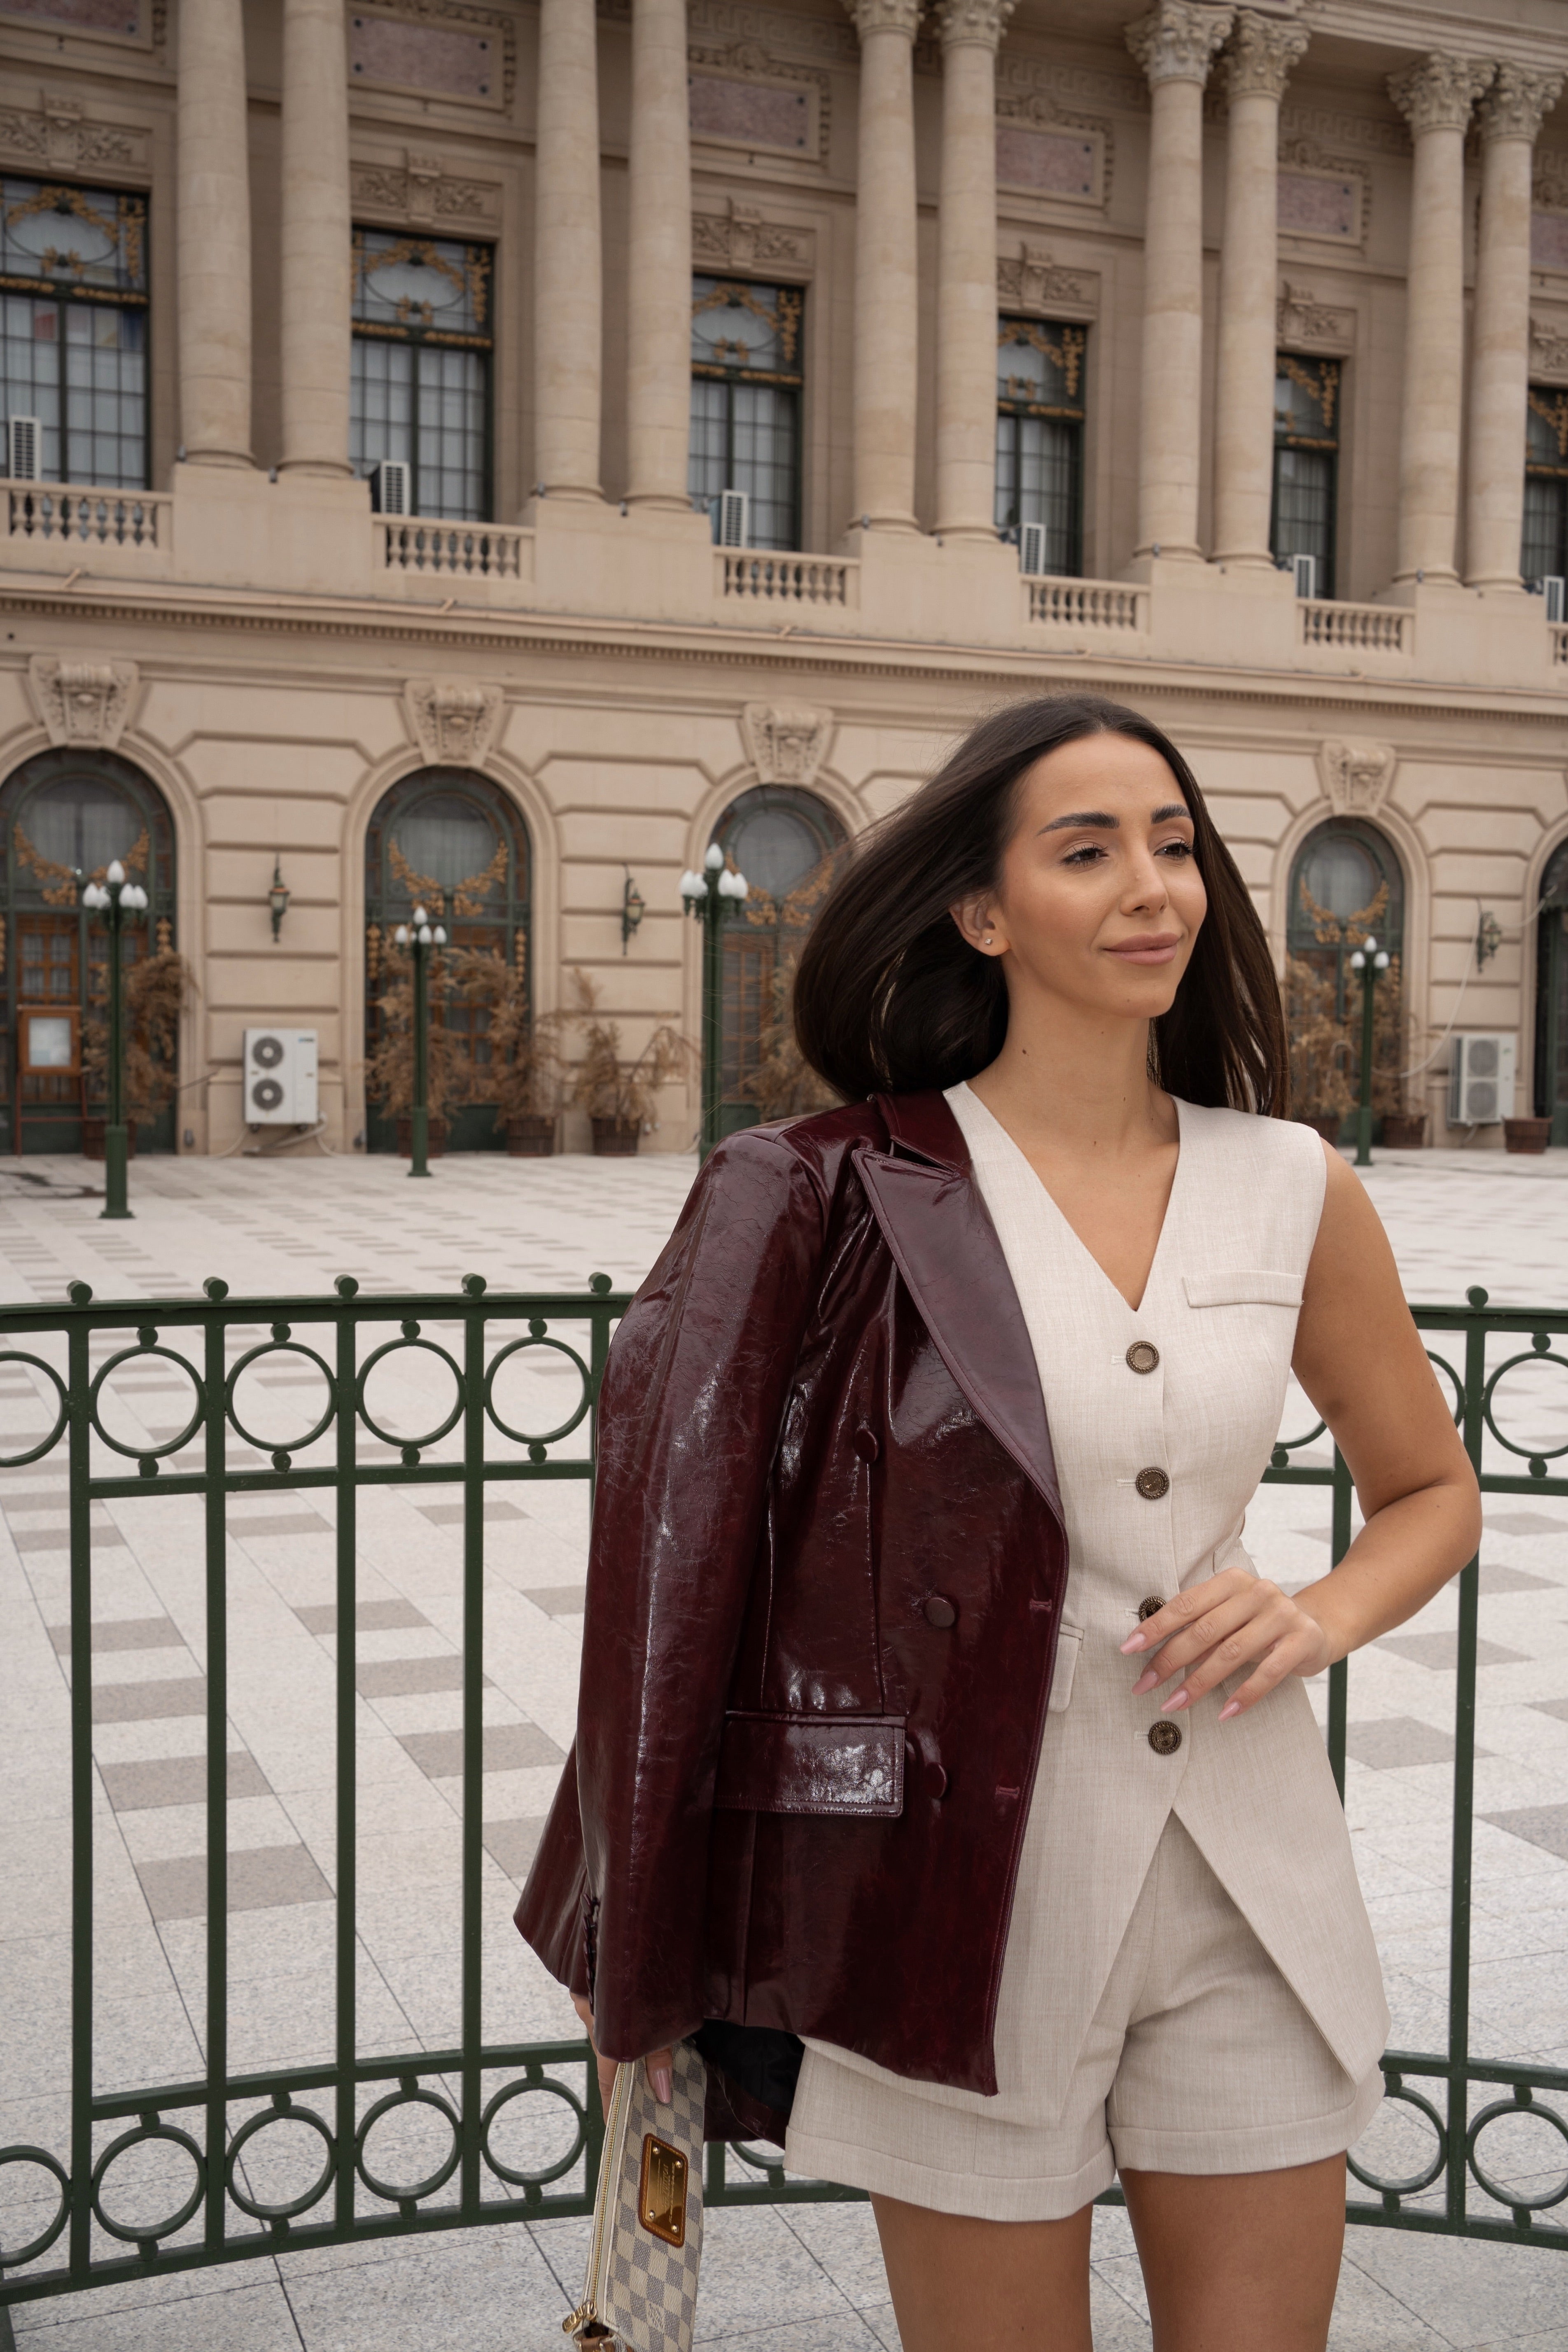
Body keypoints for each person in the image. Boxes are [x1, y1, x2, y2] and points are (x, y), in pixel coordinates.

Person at [517, 694, 1480, 2352]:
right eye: (1087, 852)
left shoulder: (1293, 1184)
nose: (1152, 887)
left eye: (1174, 845)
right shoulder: (826, 1187)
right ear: (982, 910)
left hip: (1253, 1891)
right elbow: (670, 1590)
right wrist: (640, 1944)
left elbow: (1430, 1492)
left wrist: (1318, 1611)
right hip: (955, 1904)